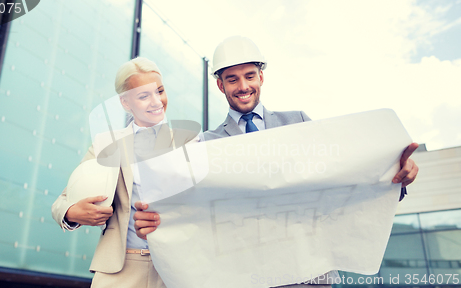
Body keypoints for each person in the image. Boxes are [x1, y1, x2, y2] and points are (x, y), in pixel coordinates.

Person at [133, 36, 419, 287]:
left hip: (306, 274)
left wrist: (394, 176)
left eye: (250, 76)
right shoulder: (205, 146)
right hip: (242, 277)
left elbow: (340, 179)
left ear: (261, 77)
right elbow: (191, 211)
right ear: (220, 86)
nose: (243, 86)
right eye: (232, 79)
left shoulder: (299, 123)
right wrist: (158, 222)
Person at [51, 57, 198, 288]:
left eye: (159, 91)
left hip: (176, 269)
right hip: (119, 269)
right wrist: (72, 212)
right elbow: (61, 203)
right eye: (143, 96)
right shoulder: (105, 144)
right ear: (125, 103)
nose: (156, 101)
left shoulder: (190, 142)